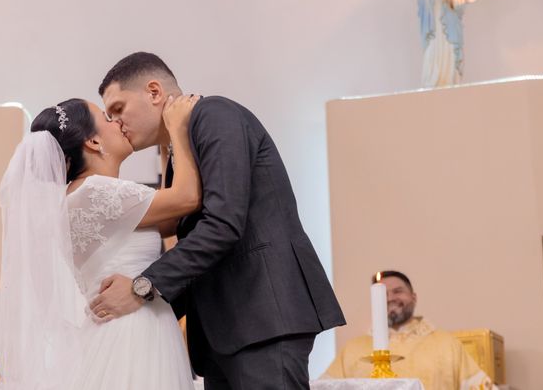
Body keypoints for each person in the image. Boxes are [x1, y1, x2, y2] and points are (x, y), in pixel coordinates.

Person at [90, 52, 345, 390]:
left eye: (119, 109)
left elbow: (223, 224)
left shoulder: (214, 115)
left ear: (154, 92)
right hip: (225, 330)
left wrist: (142, 288)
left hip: (262, 318)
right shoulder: (178, 149)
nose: (117, 123)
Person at [0, 94, 202, 390]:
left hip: (124, 326)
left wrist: (165, 149)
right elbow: (188, 198)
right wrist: (179, 131)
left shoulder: (83, 196)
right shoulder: (95, 192)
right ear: (92, 142)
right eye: (106, 119)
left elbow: (169, 222)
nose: (117, 121)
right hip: (132, 332)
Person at [323, 271, 493, 390]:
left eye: (398, 291)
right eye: (383, 293)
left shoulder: (446, 344)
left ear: (413, 297)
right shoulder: (352, 349)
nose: (390, 298)